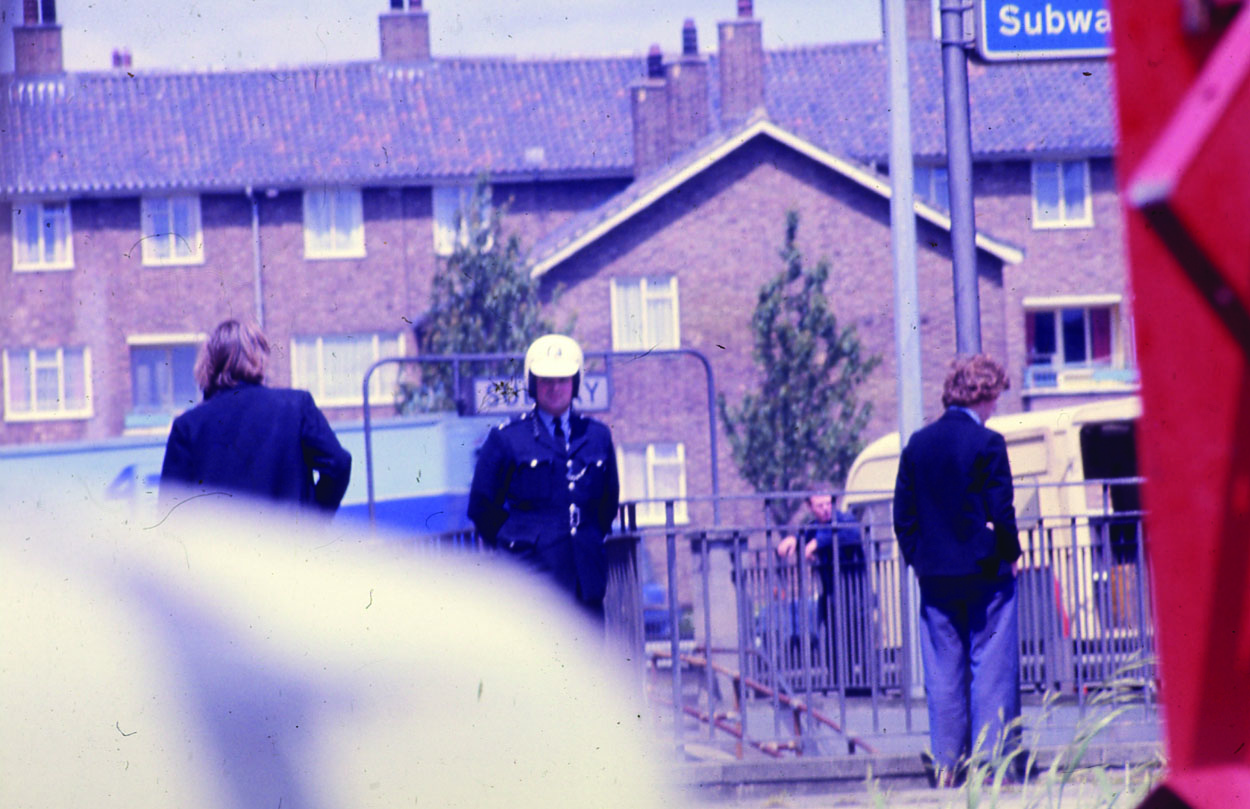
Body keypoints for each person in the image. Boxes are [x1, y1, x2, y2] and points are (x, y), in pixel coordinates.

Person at [892, 354, 1021, 787]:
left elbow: (903, 516)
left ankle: (947, 767)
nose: (996, 408)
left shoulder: (917, 444)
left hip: (936, 578)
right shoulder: (989, 444)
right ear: (982, 394)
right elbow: (1002, 512)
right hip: (987, 574)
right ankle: (989, 765)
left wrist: (920, 561)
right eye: (996, 397)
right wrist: (1011, 554)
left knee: (943, 671)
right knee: (991, 668)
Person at [467, 334, 621, 619]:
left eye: (563, 380)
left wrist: (584, 539)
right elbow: (481, 507)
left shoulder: (597, 436)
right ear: (532, 384)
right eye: (546, 381)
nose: (554, 388)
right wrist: (517, 545)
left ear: (575, 384)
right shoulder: (507, 439)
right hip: (533, 583)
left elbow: (606, 506)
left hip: (585, 581)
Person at [159, 319, 352, 513]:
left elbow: (171, 511)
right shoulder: (296, 406)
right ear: (260, 358)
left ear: (210, 362)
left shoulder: (188, 426)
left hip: (218, 542)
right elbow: (339, 464)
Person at [776, 493, 866, 677]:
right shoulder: (813, 527)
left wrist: (816, 543)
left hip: (853, 590)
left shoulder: (844, 519)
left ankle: (863, 682)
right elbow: (803, 538)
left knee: (855, 636)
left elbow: (852, 533)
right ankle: (839, 680)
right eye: (820, 505)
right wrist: (793, 541)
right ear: (811, 507)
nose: (826, 509)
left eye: (828, 504)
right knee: (833, 634)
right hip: (830, 592)